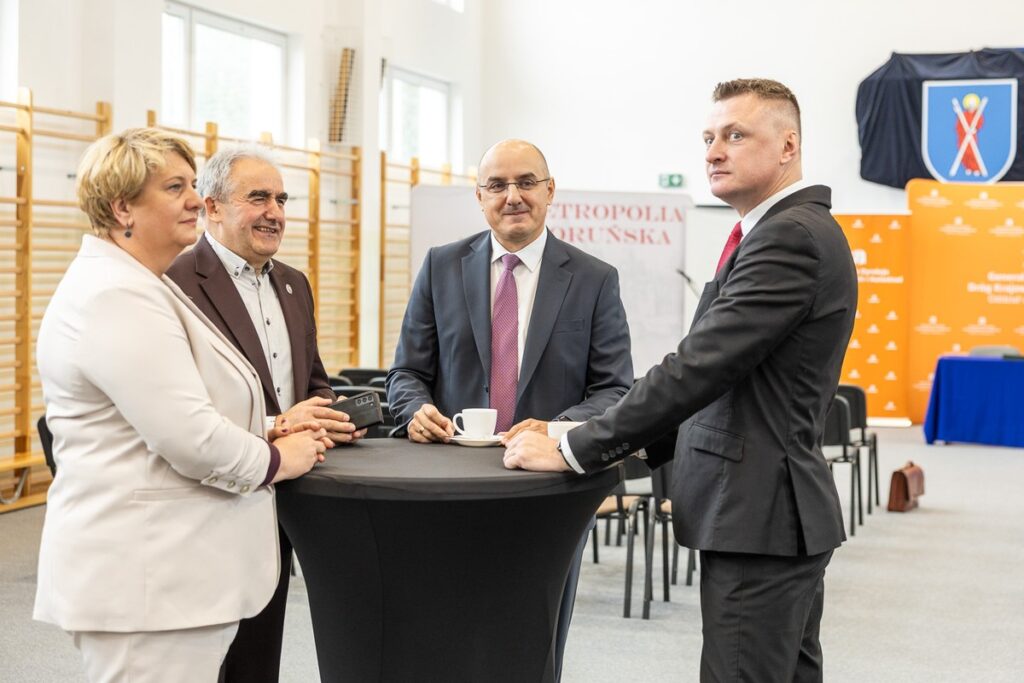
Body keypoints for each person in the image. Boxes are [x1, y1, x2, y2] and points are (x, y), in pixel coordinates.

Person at [504, 79, 857, 682]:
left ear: (788, 145)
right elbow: (724, 380)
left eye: (736, 135)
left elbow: (700, 368)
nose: (714, 151)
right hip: (767, 516)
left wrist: (573, 449)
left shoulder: (788, 238)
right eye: (709, 138)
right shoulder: (775, 233)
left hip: (760, 517)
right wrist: (581, 423)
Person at [34, 128, 329, 682]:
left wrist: (272, 424)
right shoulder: (115, 295)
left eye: (193, 184)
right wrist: (280, 458)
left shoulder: (142, 284)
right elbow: (191, 437)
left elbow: (179, 410)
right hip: (144, 584)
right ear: (123, 206)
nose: (196, 199)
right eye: (175, 187)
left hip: (167, 581)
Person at [385, 138, 633, 679]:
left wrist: (555, 427)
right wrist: (414, 410)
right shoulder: (441, 266)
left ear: (550, 191)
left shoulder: (594, 279)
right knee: (445, 631)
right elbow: (406, 373)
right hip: (449, 487)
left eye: (525, 182)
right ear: (479, 197)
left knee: (532, 642)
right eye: (497, 185)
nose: (512, 195)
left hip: (546, 491)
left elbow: (615, 389)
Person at [167, 146, 364, 683]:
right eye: (258, 197)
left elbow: (313, 385)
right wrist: (281, 425)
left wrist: (332, 417)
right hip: (211, 500)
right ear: (211, 207)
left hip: (285, 495)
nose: (275, 211)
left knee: (259, 653)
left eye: (281, 198)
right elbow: (184, 410)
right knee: (206, 659)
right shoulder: (174, 283)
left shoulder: (294, 283)